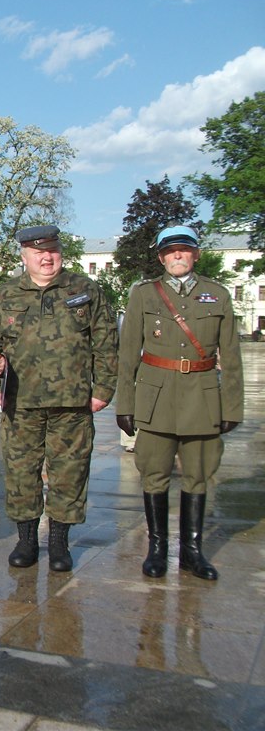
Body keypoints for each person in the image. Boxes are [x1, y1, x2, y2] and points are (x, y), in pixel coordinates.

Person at [0, 225, 117, 572]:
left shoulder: (85, 290)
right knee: (22, 473)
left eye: (52, 251)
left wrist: (103, 390)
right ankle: (26, 541)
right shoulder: (5, 296)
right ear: (24, 257)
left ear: (60, 253)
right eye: (38, 253)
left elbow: (106, 342)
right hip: (20, 404)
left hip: (73, 405)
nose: (46, 257)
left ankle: (58, 543)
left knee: (69, 473)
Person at [116, 225, 243, 581]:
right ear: (160, 257)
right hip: (155, 398)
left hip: (203, 397)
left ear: (196, 254)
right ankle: (157, 549)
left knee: (198, 476)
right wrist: (124, 405)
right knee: (154, 474)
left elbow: (231, 355)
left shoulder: (217, 295)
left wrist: (232, 407)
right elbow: (127, 355)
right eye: (170, 251)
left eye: (184, 250)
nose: (177, 256)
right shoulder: (143, 294)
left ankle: (192, 551)